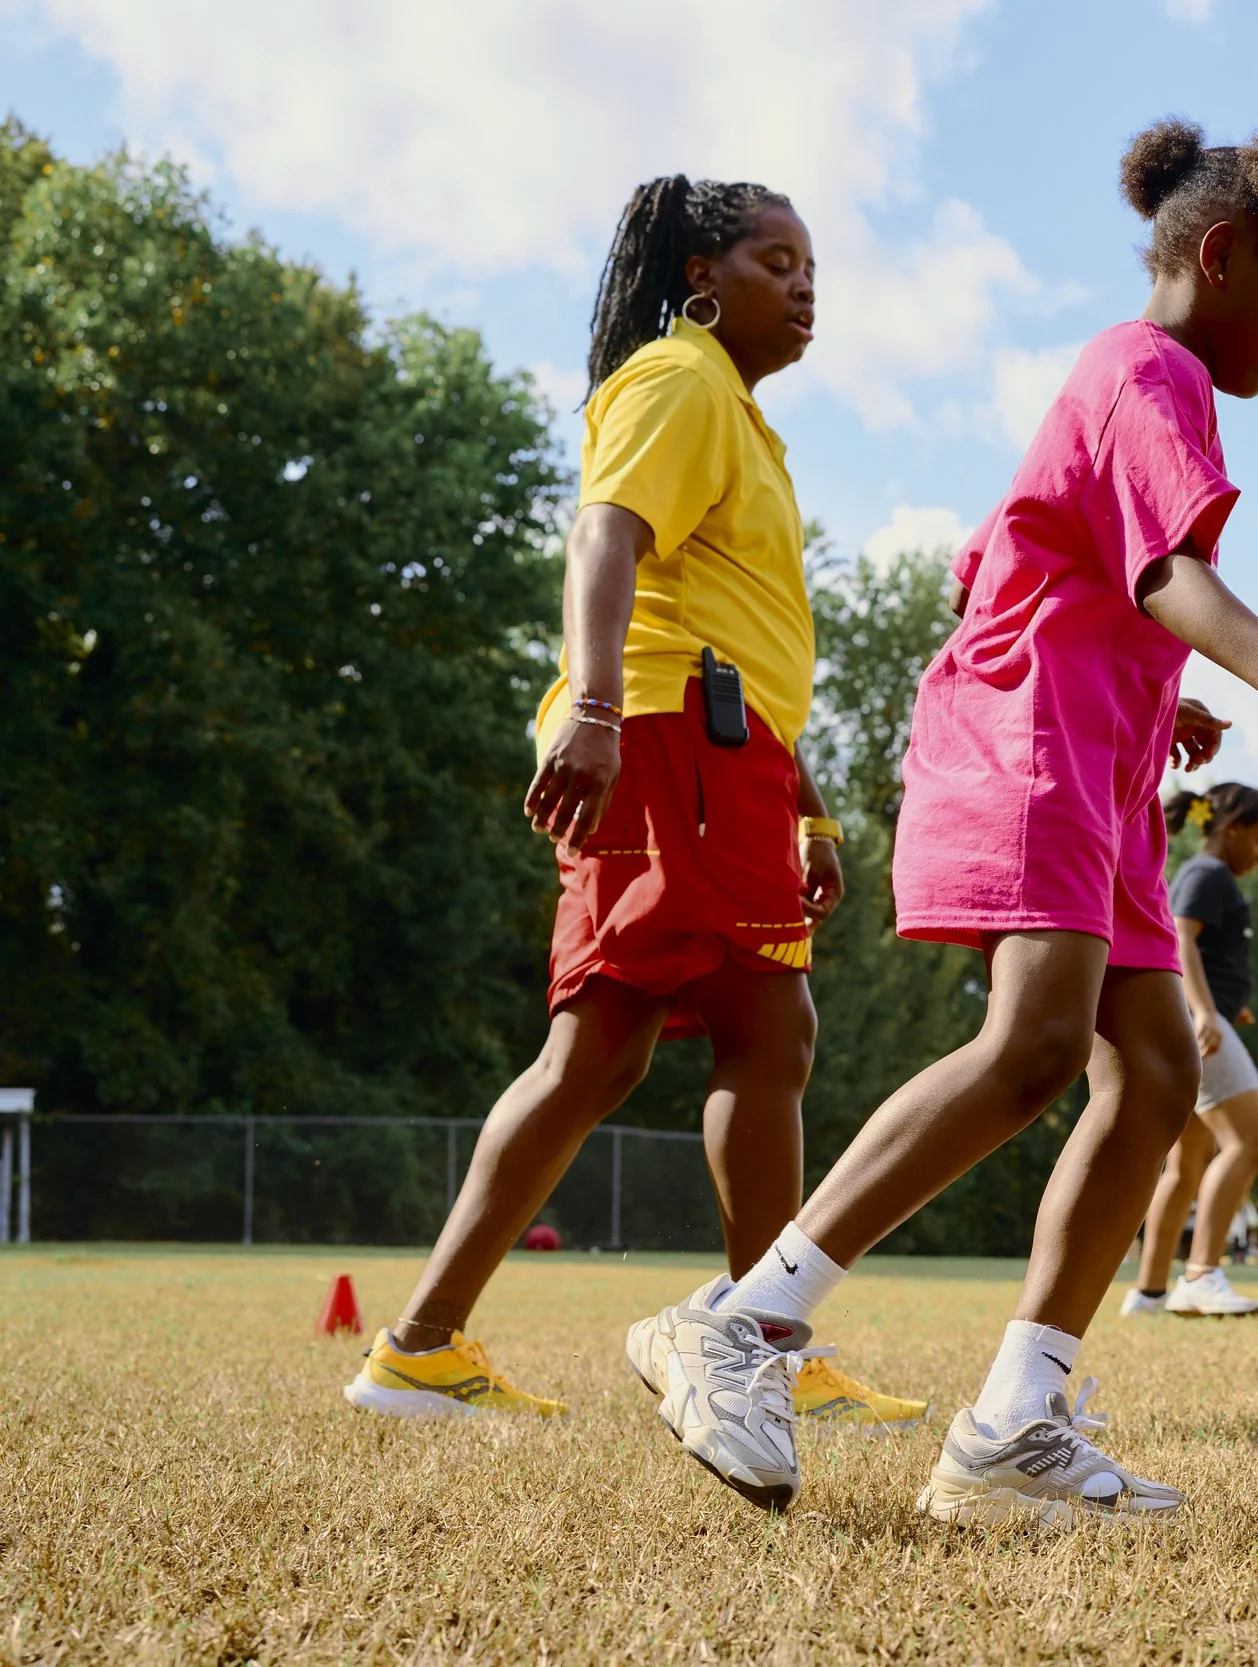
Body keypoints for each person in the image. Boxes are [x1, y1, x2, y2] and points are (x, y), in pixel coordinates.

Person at [636, 110, 1258, 1521]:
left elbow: (1022, 557)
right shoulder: (1150, 370)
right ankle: (746, 1321)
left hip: (1098, 766)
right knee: (1031, 1044)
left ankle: (1015, 1422)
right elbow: (1163, 573)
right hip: (1031, 749)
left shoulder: (1117, 384)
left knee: (1150, 1074)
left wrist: (1156, 700)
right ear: (1225, 257)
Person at [344, 177, 921, 1431]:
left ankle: (422, 1348)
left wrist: (808, 804)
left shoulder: (735, 413)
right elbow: (604, 535)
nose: (806, 285)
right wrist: (598, 712)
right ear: (703, 275)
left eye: (814, 265)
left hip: (712, 746)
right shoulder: (680, 378)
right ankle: (759, 1339)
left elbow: (740, 642)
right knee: (766, 1029)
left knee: (604, 1049)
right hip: (667, 742)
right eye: (778, 260)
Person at [1123, 783, 1258, 1319]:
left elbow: (1205, 953)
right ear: (1230, 826)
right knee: (1250, 1140)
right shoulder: (1207, 874)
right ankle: (1201, 1274)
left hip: (1201, 1020)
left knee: (1186, 1164)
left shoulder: (1210, 877)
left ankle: (1147, 1294)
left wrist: (1226, 1003)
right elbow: (1181, 938)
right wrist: (1206, 1012)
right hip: (1199, 1026)